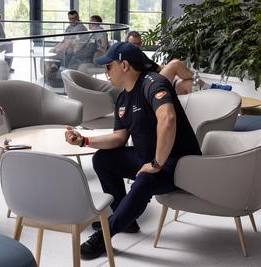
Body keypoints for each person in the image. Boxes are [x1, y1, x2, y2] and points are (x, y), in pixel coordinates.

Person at [65, 42, 202, 259]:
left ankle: (107, 233)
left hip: (179, 163)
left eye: (109, 66)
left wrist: (156, 163)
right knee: (103, 160)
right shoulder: (123, 98)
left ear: (125, 65)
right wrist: (84, 140)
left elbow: (167, 118)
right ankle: (125, 219)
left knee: (146, 179)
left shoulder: (153, 83)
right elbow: (119, 138)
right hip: (148, 158)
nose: (105, 72)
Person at [126, 31, 231, 94]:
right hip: (147, 87)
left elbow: (158, 68)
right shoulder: (127, 59)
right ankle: (210, 87)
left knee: (188, 84)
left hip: (156, 81)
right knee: (175, 63)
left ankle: (212, 97)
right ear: (127, 43)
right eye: (134, 44)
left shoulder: (141, 55)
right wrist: (173, 68)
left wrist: (177, 74)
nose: (137, 46)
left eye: (139, 43)